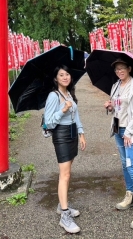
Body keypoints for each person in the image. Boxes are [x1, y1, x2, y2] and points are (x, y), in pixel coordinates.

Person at [104, 58, 133, 230]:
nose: (120, 72)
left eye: (122, 69)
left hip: (131, 133)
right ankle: (129, 194)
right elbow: (118, 107)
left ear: (129, 69)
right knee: (124, 164)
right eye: (117, 70)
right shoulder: (115, 86)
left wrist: (129, 132)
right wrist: (110, 106)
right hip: (118, 130)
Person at [44, 64, 86, 234]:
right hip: (61, 135)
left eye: (67, 74)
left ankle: (63, 205)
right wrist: (63, 109)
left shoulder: (69, 93)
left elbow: (76, 115)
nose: (65, 77)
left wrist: (81, 133)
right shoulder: (53, 96)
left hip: (73, 134)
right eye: (61, 75)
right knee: (65, 174)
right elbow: (49, 122)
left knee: (68, 172)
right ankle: (64, 215)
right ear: (56, 78)